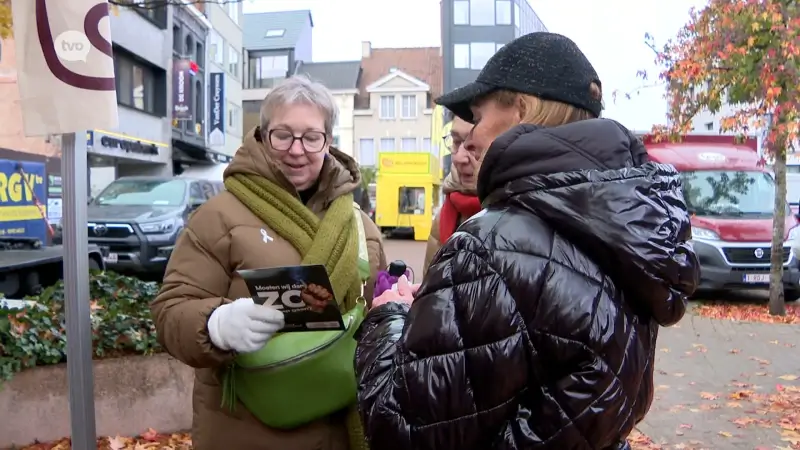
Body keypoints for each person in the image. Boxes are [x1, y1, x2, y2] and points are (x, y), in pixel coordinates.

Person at [354, 32, 700, 450]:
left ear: (521, 110)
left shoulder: (491, 246)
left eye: (478, 117)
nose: (471, 138)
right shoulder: (625, 230)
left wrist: (389, 317)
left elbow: (399, 429)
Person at [151, 75, 386, 450]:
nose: (297, 150)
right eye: (283, 135)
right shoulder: (219, 217)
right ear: (262, 136)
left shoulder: (360, 227)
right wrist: (216, 324)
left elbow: (376, 317)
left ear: (328, 141)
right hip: (245, 430)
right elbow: (170, 312)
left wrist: (397, 311)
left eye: (311, 137)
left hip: (339, 429)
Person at [423, 116, 481, 274]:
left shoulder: (525, 214)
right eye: (456, 142)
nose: (458, 158)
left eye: (473, 145)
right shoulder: (443, 217)